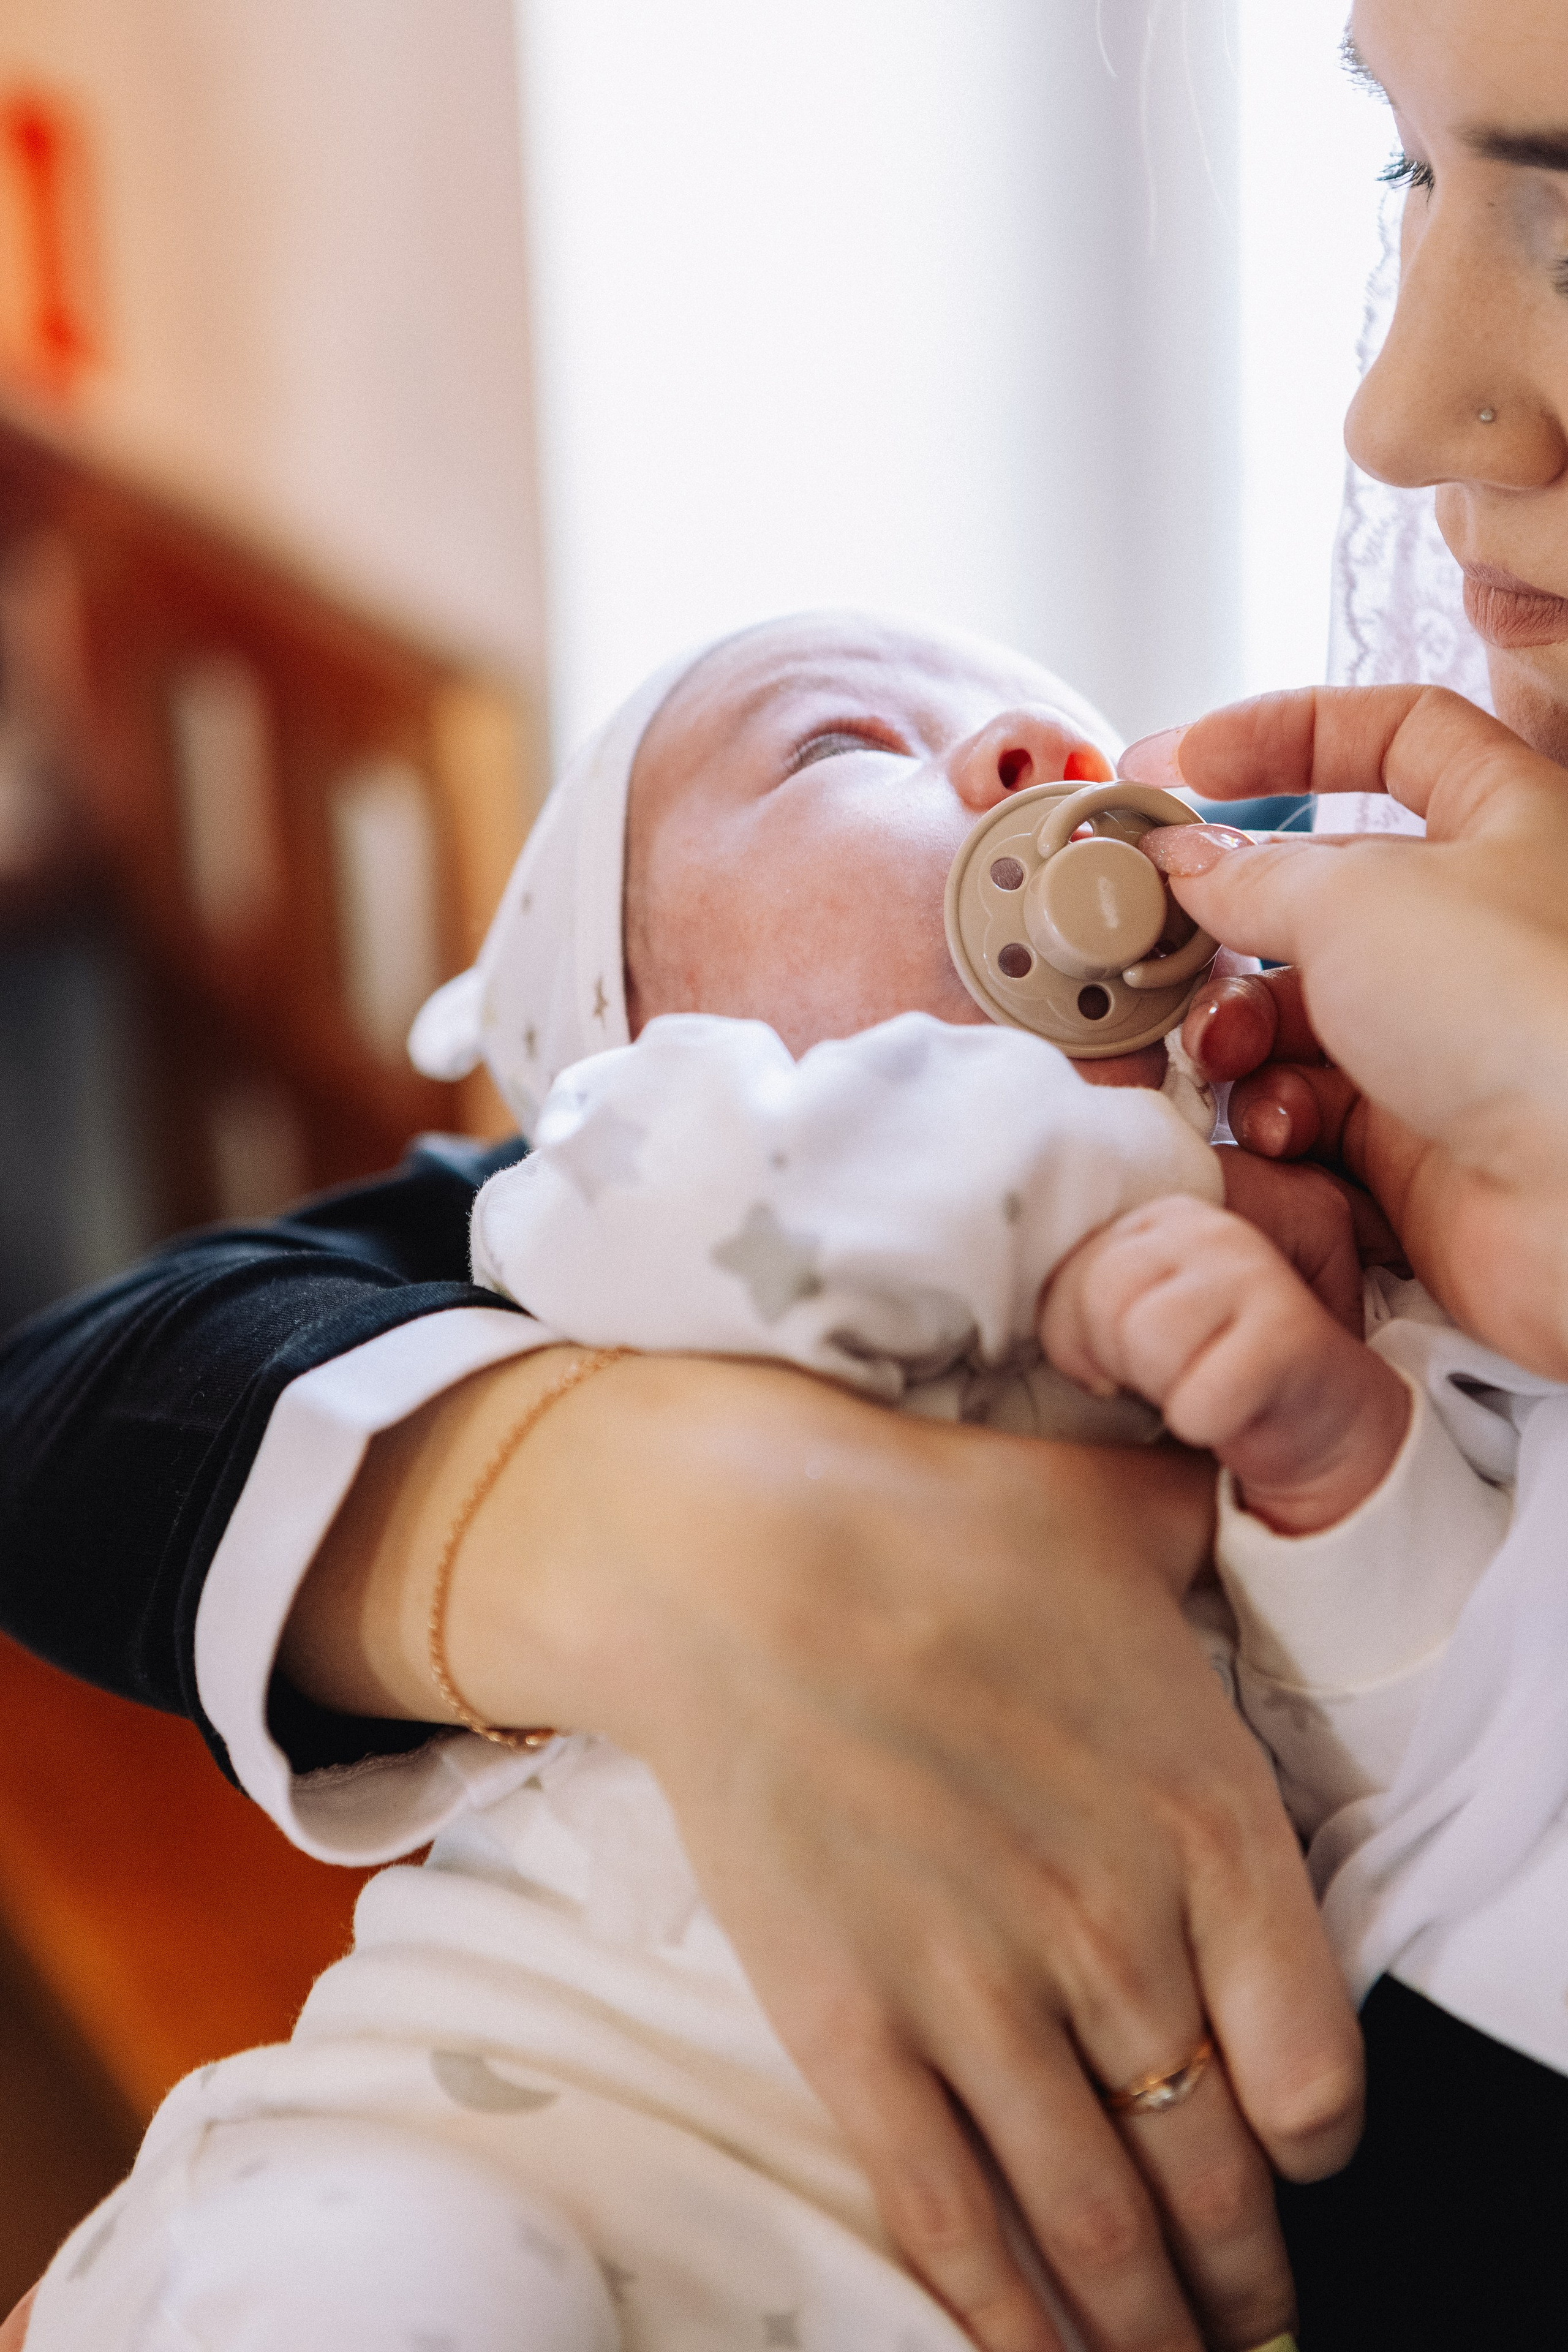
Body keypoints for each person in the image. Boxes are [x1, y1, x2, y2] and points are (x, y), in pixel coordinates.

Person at [8, 0, 1568, 2341]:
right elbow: (104, 1391)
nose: (1394, 413)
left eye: (1565, 201)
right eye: (1407, 181)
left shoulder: (1323, 1196)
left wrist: (1332, 1453)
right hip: (520, 2127)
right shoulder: (734, 1160)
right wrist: (651, 1517)